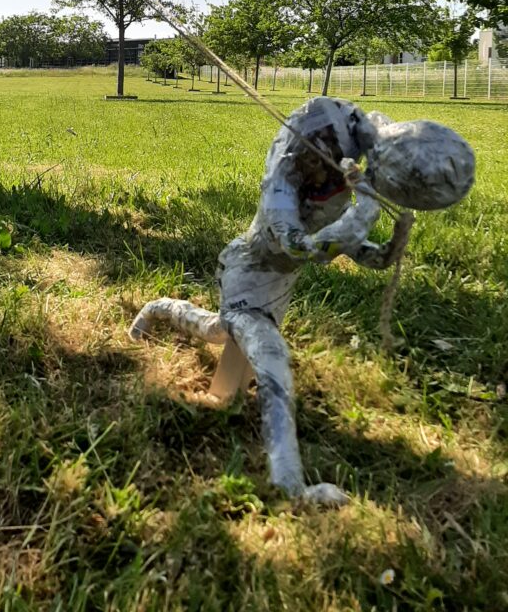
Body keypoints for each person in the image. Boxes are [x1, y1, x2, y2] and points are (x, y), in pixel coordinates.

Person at [129, 97, 475, 506]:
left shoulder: (337, 182)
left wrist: (396, 237)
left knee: (216, 332)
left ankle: (158, 308)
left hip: (278, 288)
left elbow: (373, 257)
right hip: (248, 275)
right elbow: (297, 247)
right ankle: (289, 484)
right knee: (271, 359)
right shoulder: (281, 185)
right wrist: (362, 210)